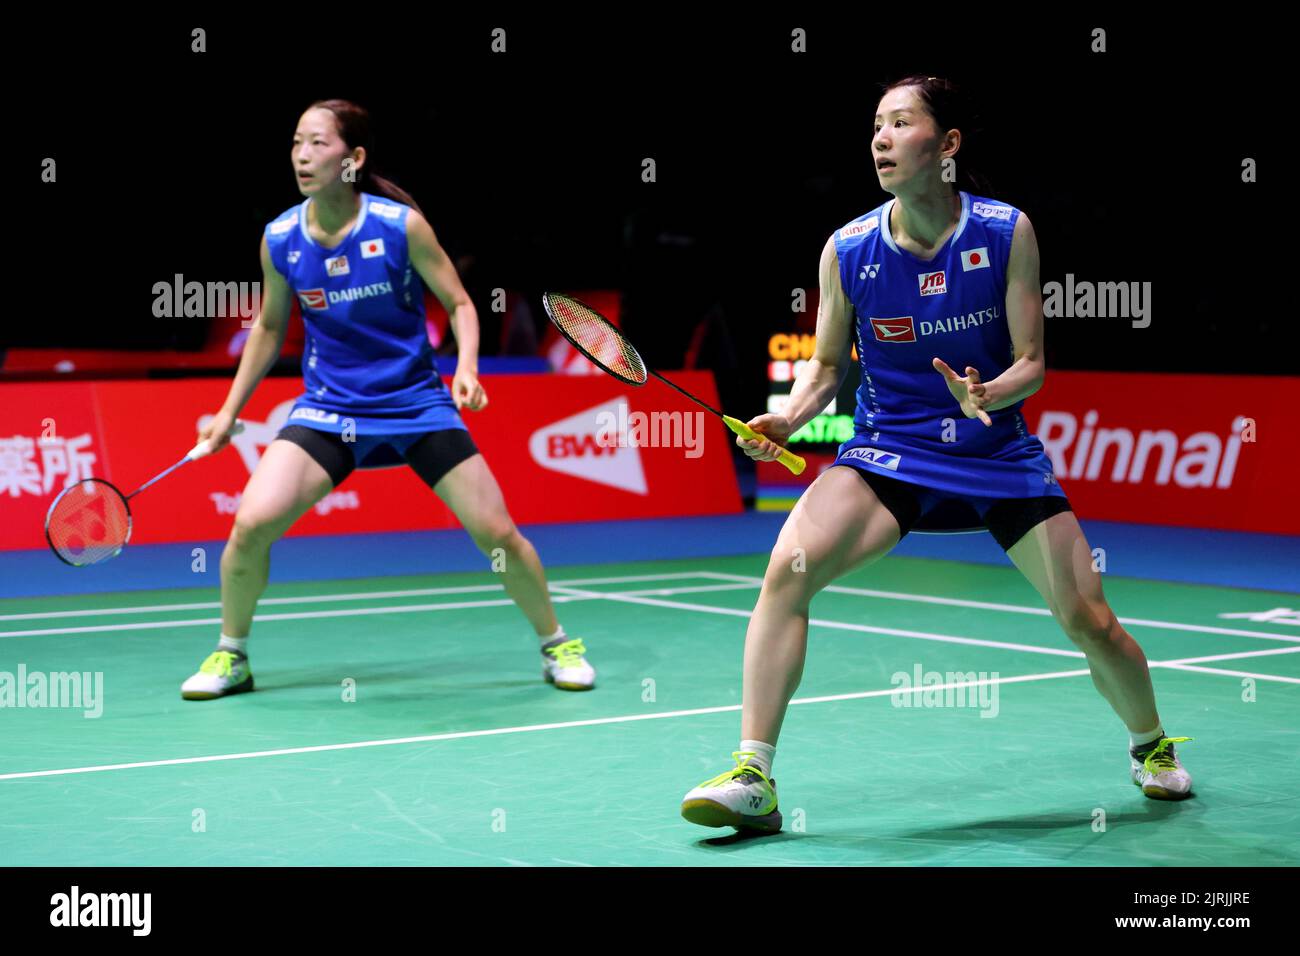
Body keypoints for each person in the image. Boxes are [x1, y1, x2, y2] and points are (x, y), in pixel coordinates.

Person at [681, 76, 1190, 832]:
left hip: (998, 455)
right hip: (889, 450)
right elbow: (827, 367)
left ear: (946, 145)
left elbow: (1031, 361)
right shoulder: (848, 249)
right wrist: (791, 417)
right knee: (787, 572)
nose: (880, 139)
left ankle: (1149, 744)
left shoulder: (1003, 231)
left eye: (901, 123)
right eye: (876, 126)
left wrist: (990, 396)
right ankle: (753, 774)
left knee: (1091, 620)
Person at [181, 99, 595, 699]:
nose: (302, 155)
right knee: (249, 526)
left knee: (498, 535)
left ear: (353, 158)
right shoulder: (280, 239)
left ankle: (558, 644)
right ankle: (231, 654)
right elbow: (270, 329)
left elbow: (458, 302)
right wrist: (228, 413)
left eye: (318, 143)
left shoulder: (399, 226)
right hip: (329, 408)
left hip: (415, 404)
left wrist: (468, 368)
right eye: (297, 142)